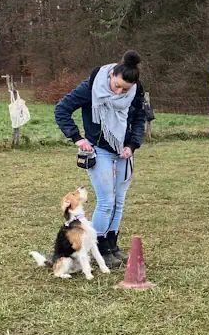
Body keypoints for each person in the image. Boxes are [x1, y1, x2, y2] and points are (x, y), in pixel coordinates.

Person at [55, 50, 146, 268]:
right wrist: (77, 138)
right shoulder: (91, 87)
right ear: (112, 74)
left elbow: (140, 118)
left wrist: (132, 144)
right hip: (99, 149)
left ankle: (112, 245)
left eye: (126, 89)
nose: (120, 91)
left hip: (123, 151)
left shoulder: (136, 91)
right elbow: (62, 110)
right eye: (117, 85)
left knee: (119, 200)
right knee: (106, 200)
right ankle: (98, 246)